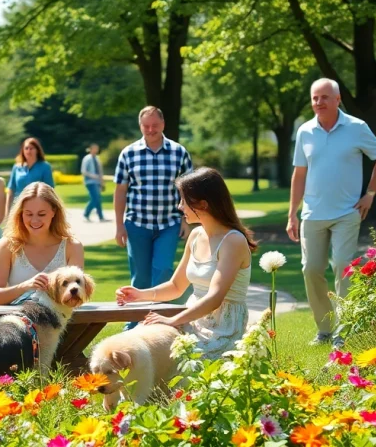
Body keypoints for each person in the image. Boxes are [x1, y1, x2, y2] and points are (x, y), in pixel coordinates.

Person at [288, 78, 376, 345]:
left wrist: (369, 194)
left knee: (344, 267)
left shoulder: (356, 127)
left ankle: (343, 333)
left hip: (347, 212)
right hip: (312, 214)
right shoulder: (305, 131)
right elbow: (299, 173)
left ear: (337, 100)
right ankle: (324, 329)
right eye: (315, 98)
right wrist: (292, 213)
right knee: (311, 270)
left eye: (324, 97)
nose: (318, 102)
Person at [119, 167, 256, 359]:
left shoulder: (233, 241)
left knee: (176, 357)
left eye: (184, 200)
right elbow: (176, 286)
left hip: (224, 329)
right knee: (140, 342)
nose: (179, 206)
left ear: (203, 204)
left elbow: (215, 297)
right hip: (192, 321)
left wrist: (172, 320)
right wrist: (139, 294)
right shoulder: (195, 235)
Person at [113, 106, 192, 327]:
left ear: (163, 124)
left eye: (155, 125)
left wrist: (186, 220)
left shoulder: (179, 152)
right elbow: (120, 191)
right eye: (146, 126)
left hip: (169, 223)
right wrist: (119, 226)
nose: (150, 130)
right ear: (140, 126)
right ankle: (134, 323)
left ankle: (159, 323)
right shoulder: (128, 153)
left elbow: (188, 189)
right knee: (140, 276)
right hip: (137, 224)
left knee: (165, 270)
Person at [0, 182, 84, 305]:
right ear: (20, 213)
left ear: (54, 212)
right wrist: (25, 286)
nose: (34, 220)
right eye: (28, 214)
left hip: (61, 322)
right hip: (16, 321)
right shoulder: (7, 245)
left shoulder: (72, 247)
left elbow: (78, 298)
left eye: (41, 214)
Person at [5, 137, 54, 216]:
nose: (29, 151)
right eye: (26, 148)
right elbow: (11, 190)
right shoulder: (17, 167)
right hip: (18, 207)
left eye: (32, 148)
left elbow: (49, 189)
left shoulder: (45, 166)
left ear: (37, 150)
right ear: (22, 150)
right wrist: (7, 211)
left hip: (37, 208)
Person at [81, 144, 106, 222]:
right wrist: (93, 176)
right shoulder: (87, 159)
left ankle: (101, 217)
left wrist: (102, 182)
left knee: (98, 199)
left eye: (97, 149)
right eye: (94, 149)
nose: (96, 150)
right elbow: (84, 171)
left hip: (97, 182)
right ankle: (86, 213)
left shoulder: (97, 159)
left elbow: (100, 171)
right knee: (95, 199)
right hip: (90, 182)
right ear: (90, 149)